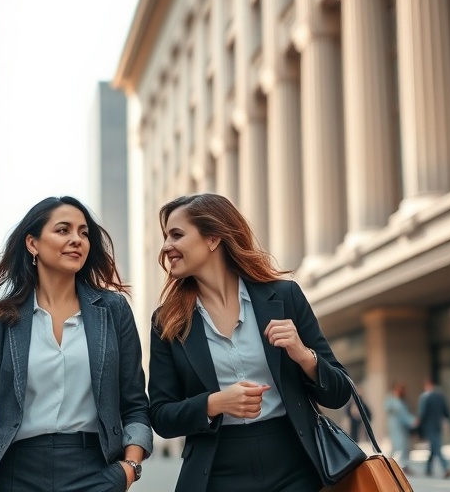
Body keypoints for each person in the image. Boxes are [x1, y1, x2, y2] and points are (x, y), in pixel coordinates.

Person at [147, 193, 352, 492]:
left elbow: (339, 394)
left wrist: (303, 355)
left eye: (176, 235)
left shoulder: (284, 297)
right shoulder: (167, 321)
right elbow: (161, 416)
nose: (166, 247)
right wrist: (215, 403)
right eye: (165, 237)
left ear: (213, 238)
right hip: (216, 472)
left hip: (296, 467)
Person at [0, 196, 152, 492]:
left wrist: (129, 469)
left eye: (84, 233)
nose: (77, 239)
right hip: (17, 473)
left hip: (95, 470)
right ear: (32, 244)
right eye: (63, 230)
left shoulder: (114, 311)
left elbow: (135, 403)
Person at [415, 378, 450, 478]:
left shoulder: (424, 397)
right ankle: (428, 469)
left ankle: (446, 467)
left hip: (429, 426)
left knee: (436, 447)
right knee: (434, 447)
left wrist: (418, 427)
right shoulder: (440, 396)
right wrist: (449, 421)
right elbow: (446, 410)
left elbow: (421, 413)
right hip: (437, 425)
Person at [384, 382, 416, 475]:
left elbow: (404, 414)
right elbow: (402, 414)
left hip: (401, 428)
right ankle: (397, 466)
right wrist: (412, 421)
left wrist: (412, 420)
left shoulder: (401, 401)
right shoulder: (392, 401)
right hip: (396, 428)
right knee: (398, 447)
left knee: (401, 447)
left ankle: (400, 466)